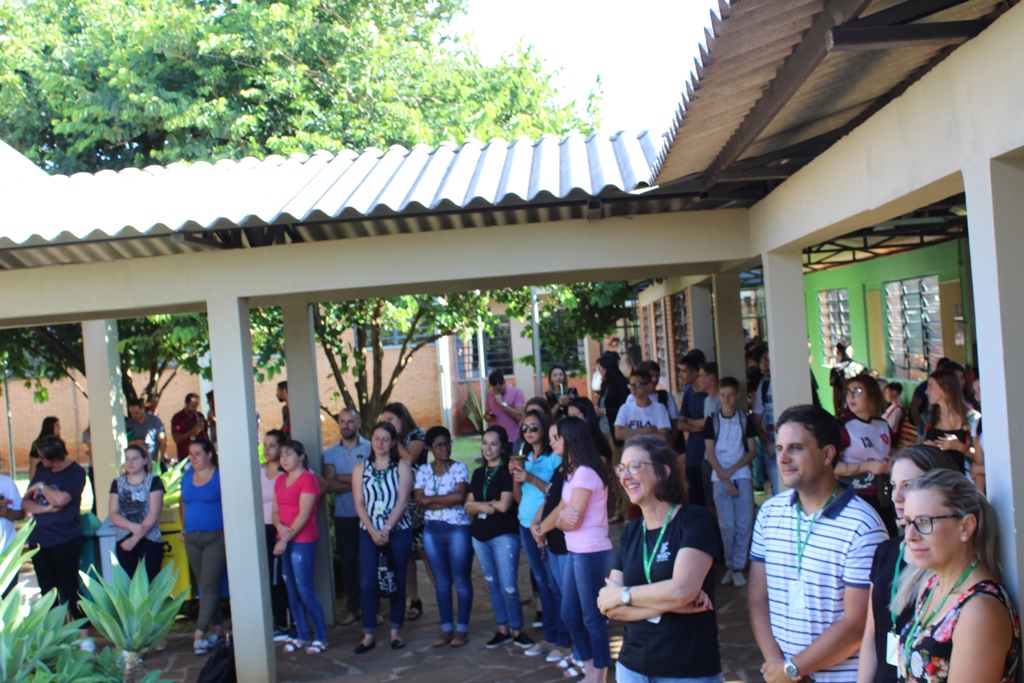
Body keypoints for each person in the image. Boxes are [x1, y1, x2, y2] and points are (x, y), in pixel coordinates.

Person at [749, 405, 887, 683]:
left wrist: (793, 669)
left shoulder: (862, 525)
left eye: (796, 448)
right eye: (780, 448)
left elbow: (857, 623)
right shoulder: (769, 513)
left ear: (827, 454)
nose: (783, 458)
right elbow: (757, 598)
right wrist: (777, 664)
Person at [597, 434, 723, 683]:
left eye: (635, 466)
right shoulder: (632, 532)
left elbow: (682, 590)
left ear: (663, 472)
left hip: (686, 671)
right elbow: (608, 607)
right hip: (632, 668)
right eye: (621, 468)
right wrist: (674, 602)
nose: (625, 476)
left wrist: (624, 595)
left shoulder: (695, 520)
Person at [896, 469, 1020, 683]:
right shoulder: (931, 584)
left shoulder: (979, 611)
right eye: (907, 522)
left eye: (924, 522)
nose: (910, 536)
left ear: (966, 527)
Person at [855, 445, 958, 683]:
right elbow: (871, 633)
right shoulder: (886, 551)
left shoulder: (945, 560)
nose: (896, 496)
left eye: (908, 485)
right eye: (893, 485)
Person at [551, 417, 614, 683]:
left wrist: (559, 521)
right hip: (576, 551)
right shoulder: (574, 472)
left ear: (569, 440)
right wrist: (561, 518)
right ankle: (589, 668)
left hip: (590, 552)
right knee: (570, 614)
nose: (554, 442)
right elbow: (566, 514)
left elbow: (572, 521)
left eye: (557, 437)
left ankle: (599, 674)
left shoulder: (586, 473)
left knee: (592, 618)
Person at [465, 426, 533, 649]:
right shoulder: (478, 473)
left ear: (503, 447)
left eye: (493, 444)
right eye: (485, 443)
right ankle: (502, 629)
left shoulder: (507, 472)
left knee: (509, 586)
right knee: (492, 584)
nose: (488, 448)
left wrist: (477, 506)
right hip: (480, 536)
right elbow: (467, 505)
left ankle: (517, 629)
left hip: (504, 535)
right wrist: (481, 507)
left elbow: (504, 505)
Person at [352, 421, 414, 654]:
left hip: (397, 531)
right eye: (376, 439)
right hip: (368, 531)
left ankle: (395, 632)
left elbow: (403, 501)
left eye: (385, 439)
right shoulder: (360, 468)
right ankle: (368, 634)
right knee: (368, 582)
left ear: (393, 442)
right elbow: (359, 503)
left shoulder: (402, 466)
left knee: (397, 579)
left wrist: (387, 528)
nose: (380, 443)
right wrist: (372, 530)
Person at [22, 436, 90, 645]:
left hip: (65, 539)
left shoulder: (76, 473)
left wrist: (42, 487)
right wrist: (46, 508)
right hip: (39, 540)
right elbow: (26, 503)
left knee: (70, 588)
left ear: (55, 457)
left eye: (43, 457)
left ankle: (84, 637)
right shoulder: (42, 469)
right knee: (47, 592)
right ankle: (54, 639)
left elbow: (62, 499)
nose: (40, 460)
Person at [511, 409, 564, 658]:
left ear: (544, 428)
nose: (528, 431)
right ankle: (549, 636)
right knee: (542, 582)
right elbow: (518, 497)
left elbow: (558, 493)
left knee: (555, 583)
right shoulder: (525, 456)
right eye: (524, 428)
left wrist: (531, 477)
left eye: (533, 427)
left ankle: (562, 638)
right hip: (525, 524)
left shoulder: (554, 458)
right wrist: (516, 476)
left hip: (548, 525)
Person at [415, 426, 473, 647]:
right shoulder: (423, 470)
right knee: (441, 582)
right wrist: (445, 498)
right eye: (439, 445)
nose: (445, 448)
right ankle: (447, 628)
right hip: (432, 530)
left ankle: (462, 629)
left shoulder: (459, 467)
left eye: (448, 443)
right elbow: (418, 501)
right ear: (430, 448)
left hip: (458, 528)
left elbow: (460, 497)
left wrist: (430, 499)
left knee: (461, 580)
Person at [273, 440, 328, 654]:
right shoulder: (280, 480)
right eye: (281, 455)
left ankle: (321, 637)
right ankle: (302, 635)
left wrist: (285, 539)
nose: (284, 459)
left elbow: (304, 515)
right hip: (283, 539)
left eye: (289, 454)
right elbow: (275, 512)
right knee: (291, 590)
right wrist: (280, 529)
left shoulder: (308, 479)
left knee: (305, 589)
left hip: (302, 540)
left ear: (301, 456)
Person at [704, 376, 757, 587]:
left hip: (741, 474)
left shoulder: (744, 419)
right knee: (727, 525)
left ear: (737, 396)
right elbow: (710, 453)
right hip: (719, 477)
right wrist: (724, 477)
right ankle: (731, 564)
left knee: (744, 522)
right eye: (723, 395)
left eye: (731, 395)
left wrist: (733, 470)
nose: (727, 399)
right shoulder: (712, 421)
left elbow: (752, 451)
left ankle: (738, 566)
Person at [380, 402, 430, 621]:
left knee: (425, 552)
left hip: (418, 503)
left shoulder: (416, 435)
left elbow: (410, 459)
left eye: (390, 420)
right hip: (399, 504)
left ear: (402, 417)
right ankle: (415, 600)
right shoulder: (389, 442)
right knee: (407, 554)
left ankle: (444, 600)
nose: (387, 424)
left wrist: (393, 439)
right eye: (384, 421)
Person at [322, 408, 372, 626]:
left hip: (369, 516)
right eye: (342, 422)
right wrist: (358, 480)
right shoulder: (331, 453)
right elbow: (328, 484)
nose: (345, 426)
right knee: (349, 564)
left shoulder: (370, 447)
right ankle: (353, 608)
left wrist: (343, 478)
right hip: (344, 516)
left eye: (350, 422)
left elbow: (373, 480)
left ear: (358, 423)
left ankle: (372, 609)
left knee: (369, 564)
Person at [533, 423, 575, 667]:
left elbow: (562, 506)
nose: (551, 442)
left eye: (555, 437)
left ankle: (570, 645)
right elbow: (549, 499)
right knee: (556, 590)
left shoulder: (576, 470)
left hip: (566, 542)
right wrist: (536, 523)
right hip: (553, 541)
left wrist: (541, 529)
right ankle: (561, 640)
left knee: (569, 597)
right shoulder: (560, 468)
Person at [180, 438, 225, 656]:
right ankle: (218, 628)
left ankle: (199, 633)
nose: (193, 458)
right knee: (205, 585)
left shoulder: (220, 475)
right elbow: (183, 501)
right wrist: (183, 527)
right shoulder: (187, 477)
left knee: (208, 585)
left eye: (197, 453)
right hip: (192, 538)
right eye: (191, 454)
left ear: (209, 454)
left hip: (216, 536)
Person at [836, 376, 896, 535]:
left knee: (889, 538)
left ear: (872, 394)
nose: (851, 396)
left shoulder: (882, 424)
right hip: (855, 497)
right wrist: (868, 466)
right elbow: (830, 467)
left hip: (884, 495)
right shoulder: (842, 425)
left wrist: (892, 462)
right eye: (848, 392)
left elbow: (892, 451)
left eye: (857, 391)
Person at [109, 443, 165, 580]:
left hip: (150, 538)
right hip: (124, 539)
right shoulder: (118, 483)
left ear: (145, 460)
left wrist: (135, 538)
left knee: (150, 583)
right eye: (127, 459)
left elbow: (154, 513)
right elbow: (113, 513)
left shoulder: (154, 481)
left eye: (134, 458)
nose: (130, 462)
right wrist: (132, 527)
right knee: (128, 584)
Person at [260, 429, 291, 641]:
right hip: (263, 529)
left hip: (283, 528)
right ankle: (279, 621)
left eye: (272, 445)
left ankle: (290, 622)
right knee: (270, 577)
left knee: (284, 576)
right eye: (265, 445)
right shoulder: (258, 470)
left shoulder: (287, 472)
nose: (267, 449)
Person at [920, 369, 981, 477]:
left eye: (930, 386)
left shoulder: (972, 420)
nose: (926, 391)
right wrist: (927, 449)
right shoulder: (927, 418)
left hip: (963, 480)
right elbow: (917, 450)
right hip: (935, 479)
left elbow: (980, 459)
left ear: (945, 388)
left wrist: (959, 446)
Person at [598, 352, 631, 523]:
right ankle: (619, 509)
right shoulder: (605, 384)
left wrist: (603, 411)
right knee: (611, 471)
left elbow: (622, 409)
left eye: (600, 368)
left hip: (615, 433)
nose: (599, 371)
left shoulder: (620, 384)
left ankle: (627, 512)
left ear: (606, 368)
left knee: (620, 472)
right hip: (604, 432)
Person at [676, 353, 710, 506]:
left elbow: (708, 424)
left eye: (684, 371)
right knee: (694, 498)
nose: (680, 375)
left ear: (695, 373)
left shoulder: (708, 395)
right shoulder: (689, 393)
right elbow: (680, 424)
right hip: (692, 454)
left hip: (707, 453)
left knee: (709, 498)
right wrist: (698, 427)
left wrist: (691, 423)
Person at [615, 369, 671, 443]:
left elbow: (663, 437)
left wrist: (629, 431)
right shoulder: (625, 408)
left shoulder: (660, 408)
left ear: (648, 386)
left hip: (653, 450)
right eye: (631, 385)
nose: (633, 389)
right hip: (632, 450)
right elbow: (618, 434)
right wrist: (647, 430)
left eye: (637, 384)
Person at [752, 349, 778, 495]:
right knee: (777, 486)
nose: (764, 364)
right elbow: (756, 422)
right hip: (770, 442)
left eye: (768, 360)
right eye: (763, 359)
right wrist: (768, 443)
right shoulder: (764, 384)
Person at [698, 361, 722, 511]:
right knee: (709, 498)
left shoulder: (721, 400)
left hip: (720, 457)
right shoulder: (707, 400)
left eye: (701, 376)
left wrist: (691, 423)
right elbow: (704, 424)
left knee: (719, 499)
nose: (698, 380)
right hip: (707, 455)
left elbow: (706, 425)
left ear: (711, 377)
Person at [568, 396, 613, 464]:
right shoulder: (574, 440)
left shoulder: (597, 443)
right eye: (569, 417)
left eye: (574, 417)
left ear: (587, 417)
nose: (570, 421)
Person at [125, 398, 167, 468]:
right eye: (132, 413)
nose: (134, 415)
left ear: (142, 409)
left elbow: (163, 442)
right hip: (137, 464)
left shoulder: (154, 421)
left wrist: (157, 461)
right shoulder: (129, 423)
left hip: (153, 460)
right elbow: (124, 443)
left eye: (136, 413)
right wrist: (134, 442)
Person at [485, 370, 526, 440]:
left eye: (498, 389)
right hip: (496, 438)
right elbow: (486, 414)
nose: (496, 392)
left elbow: (519, 415)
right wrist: (488, 417)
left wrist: (502, 403)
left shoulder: (516, 392)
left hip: (513, 437)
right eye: (494, 389)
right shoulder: (490, 393)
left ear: (504, 382)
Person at [830, 343, 867, 415]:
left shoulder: (836, 369)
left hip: (844, 407)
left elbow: (836, 393)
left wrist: (836, 412)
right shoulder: (861, 367)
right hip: (862, 405)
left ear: (837, 352)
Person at [171, 393, 208, 463]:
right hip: (185, 457)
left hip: (200, 455)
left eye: (196, 406)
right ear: (186, 404)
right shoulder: (177, 417)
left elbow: (205, 435)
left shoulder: (199, 416)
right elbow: (176, 439)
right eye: (193, 406)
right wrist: (193, 431)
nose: (195, 408)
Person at [28, 416, 61, 480]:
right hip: (43, 477)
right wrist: (33, 480)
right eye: (56, 425)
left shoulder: (58, 444)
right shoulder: (38, 444)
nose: (59, 427)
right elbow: (33, 464)